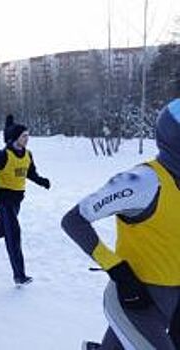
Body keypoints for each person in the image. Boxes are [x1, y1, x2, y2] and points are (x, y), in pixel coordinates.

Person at [62, 99, 180, 350]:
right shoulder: (144, 181)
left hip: (172, 300)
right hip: (134, 299)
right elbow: (73, 221)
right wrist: (118, 271)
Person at [0, 122, 50, 285]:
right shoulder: (4, 155)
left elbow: (30, 173)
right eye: (24, 135)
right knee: (13, 235)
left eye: (27, 135)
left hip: (17, 200)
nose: (27, 138)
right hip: (4, 199)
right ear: (16, 137)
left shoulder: (28, 154)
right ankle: (19, 275)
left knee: (2, 229)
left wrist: (42, 181)